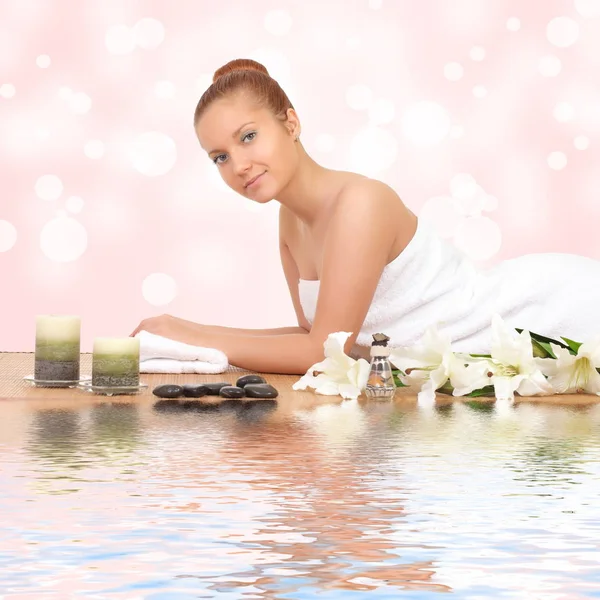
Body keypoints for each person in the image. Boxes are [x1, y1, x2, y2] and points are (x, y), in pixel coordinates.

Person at [130, 58, 600, 375]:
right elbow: (322, 338)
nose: (238, 165)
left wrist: (188, 334)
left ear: (290, 124)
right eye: (219, 157)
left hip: (556, 313)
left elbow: (322, 351)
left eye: (248, 137)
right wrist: (186, 332)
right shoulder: (289, 221)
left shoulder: (360, 204)